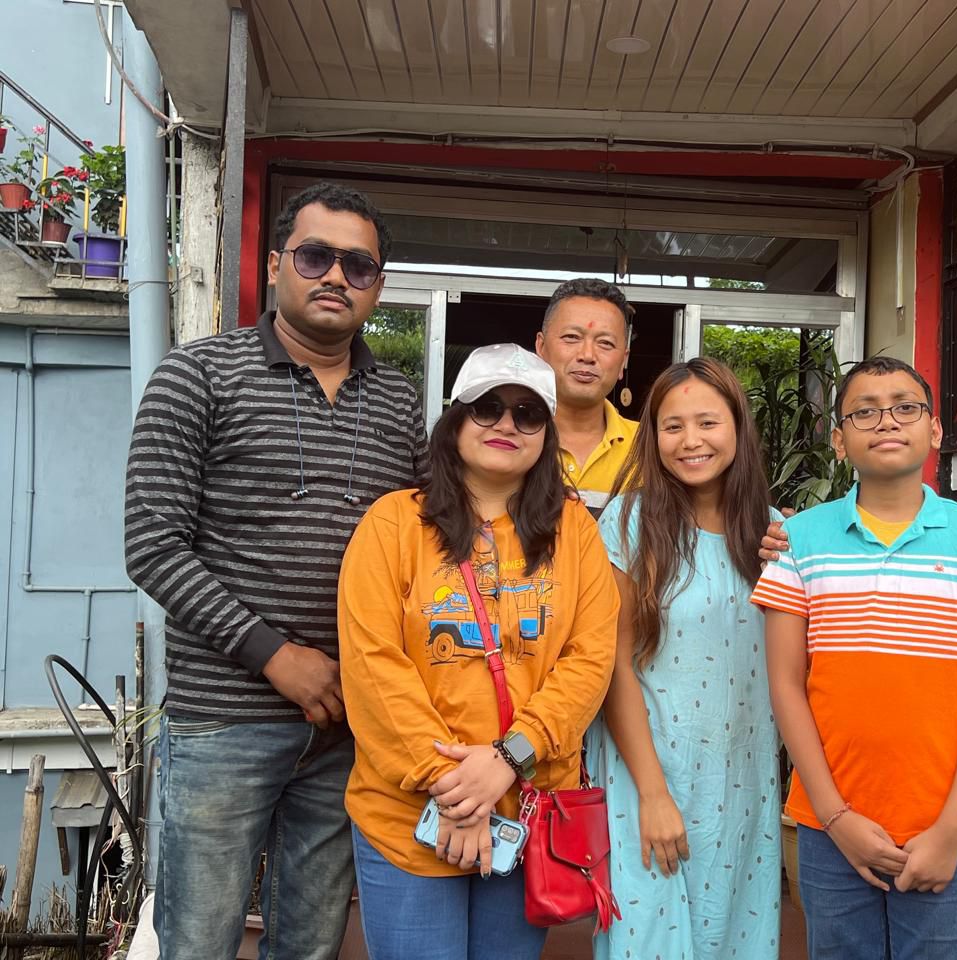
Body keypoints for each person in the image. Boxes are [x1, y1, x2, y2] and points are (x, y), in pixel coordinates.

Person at [124, 182, 425, 959]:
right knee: (198, 940)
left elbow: (442, 539)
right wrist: (276, 657)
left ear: (378, 286)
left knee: (312, 942)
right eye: (316, 256)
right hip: (224, 718)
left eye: (358, 266)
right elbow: (153, 544)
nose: (335, 277)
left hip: (345, 726)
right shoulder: (195, 376)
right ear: (276, 263)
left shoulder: (397, 401)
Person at [337, 343, 620, 960]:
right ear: (455, 421)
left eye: (528, 414)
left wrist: (508, 760)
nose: (506, 425)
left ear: (546, 434)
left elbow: (589, 658)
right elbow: (372, 665)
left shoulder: (575, 532)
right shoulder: (394, 525)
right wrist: (455, 788)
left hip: (527, 813)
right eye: (487, 407)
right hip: (411, 818)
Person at [752, 356, 957, 960]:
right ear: (839, 439)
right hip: (829, 825)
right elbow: (785, 684)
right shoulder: (800, 539)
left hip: (945, 827)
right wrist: (836, 816)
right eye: (865, 411)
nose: (886, 422)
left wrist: (953, 828)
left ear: (935, 430)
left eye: (906, 407)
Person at [587, 357, 782, 960]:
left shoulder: (775, 531)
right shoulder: (629, 522)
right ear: (652, 436)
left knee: (735, 935)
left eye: (707, 422)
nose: (691, 441)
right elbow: (613, 665)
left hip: (745, 780)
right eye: (673, 426)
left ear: (738, 428)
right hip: (649, 771)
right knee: (649, 942)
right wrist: (651, 794)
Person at [535, 278, 639, 514]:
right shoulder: (509, 439)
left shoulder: (651, 448)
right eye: (572, 337)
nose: (587, 355)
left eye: (605, 343)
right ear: (541, 348)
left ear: (624, 360)